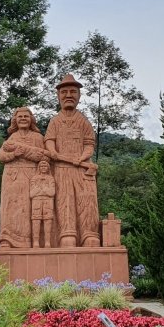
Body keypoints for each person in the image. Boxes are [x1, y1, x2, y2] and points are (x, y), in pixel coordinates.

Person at [45, 73, 100, 247]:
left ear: (79, 96)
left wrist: (81, 158)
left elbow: (89, 144)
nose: (68, 95)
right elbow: (49, 141)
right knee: (64, 200)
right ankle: (67, 234)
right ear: (58, 96)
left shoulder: (83, 121)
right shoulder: (55, 121)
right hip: (61, 168)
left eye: (73, 92)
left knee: (87, 200)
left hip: (82, 168)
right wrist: (53, 152)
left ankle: (89, 234)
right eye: (64, 92)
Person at [0, 106, 46, 248]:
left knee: (29, 208)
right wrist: (14, 154)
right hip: (12, 176)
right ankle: (7, 239)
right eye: (20, 117)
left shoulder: (38, 137)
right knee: (10, 207)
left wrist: (29, 155)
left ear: (31, 120)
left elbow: (46, 157)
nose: (23, 119)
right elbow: (1, 156)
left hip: (31, 176)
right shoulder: (12, 137)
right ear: (15, 121)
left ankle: (29, 241)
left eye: (26, 116)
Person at [29, 160, 56, 248]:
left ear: (48, 168)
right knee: (36, 220)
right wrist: (44, 189)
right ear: (39, 168)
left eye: (45, 166)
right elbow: (32, 194)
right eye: (41, 166)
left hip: (48, 202)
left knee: (48, 220)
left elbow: (52, 192)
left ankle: (47, 242)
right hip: (36, 201)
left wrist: (41, 189)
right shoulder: (34, 178)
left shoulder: (51, 178)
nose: (43, 168)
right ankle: (36, 242)